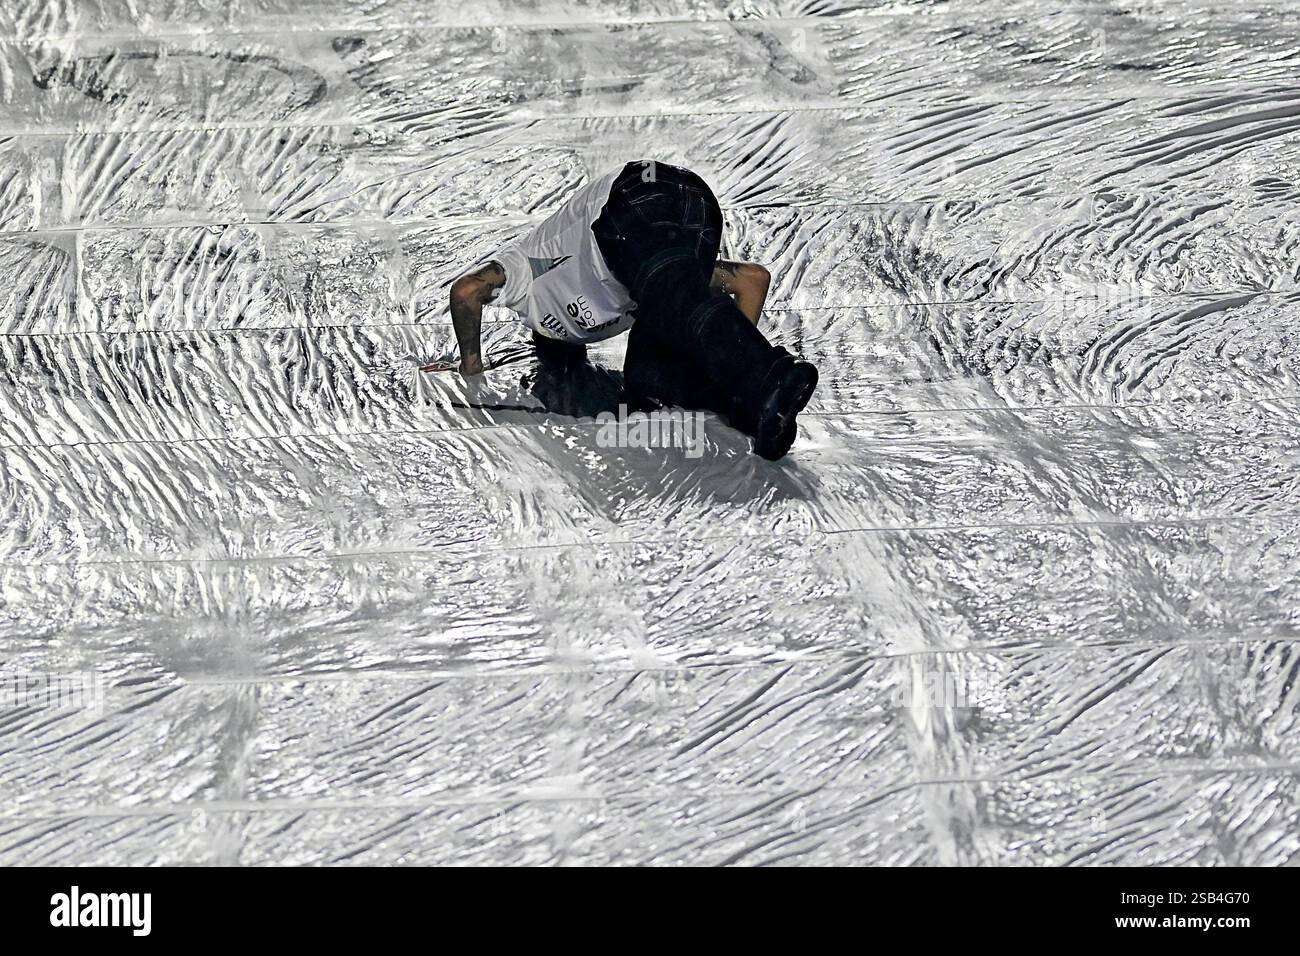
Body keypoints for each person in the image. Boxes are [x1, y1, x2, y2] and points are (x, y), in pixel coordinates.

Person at [426, 160, 818, 460]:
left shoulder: (527, 281)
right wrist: (724, 361)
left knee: (670, 293)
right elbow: (751, 280)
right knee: (648, 375)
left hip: (637, 198)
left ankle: (771, 376)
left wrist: (470, 369)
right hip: (692, 213)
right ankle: (757, 412)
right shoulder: (639, 292)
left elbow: (467, 290)